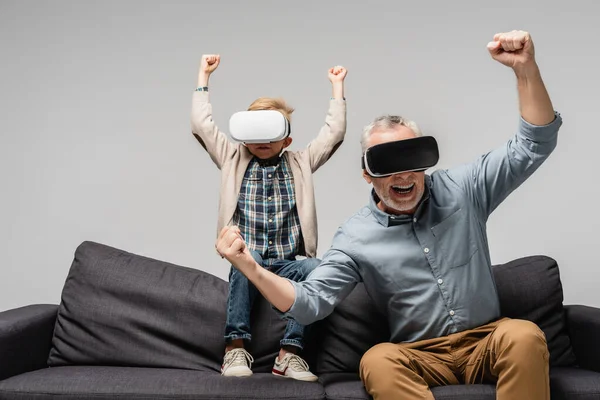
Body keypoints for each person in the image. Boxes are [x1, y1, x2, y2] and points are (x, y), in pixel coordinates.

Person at [215, 30, 561, 399]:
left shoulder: (465, 189)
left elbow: (532, 145)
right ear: (367, 173)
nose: (402, 175)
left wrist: (526, 69)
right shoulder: (355, 237)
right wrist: (249, 267)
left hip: (488, 339)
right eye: (386, 164)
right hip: (416, 354)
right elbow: (308, 302)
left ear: (425, 161)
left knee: (523, 334)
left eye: (410, 159)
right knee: (377, 359)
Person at [191, 54, 347, 381]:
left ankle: (290, 355)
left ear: (287, 139)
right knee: (247, 258)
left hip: (289, 260)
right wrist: (203, 77)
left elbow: (333, 135)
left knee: (317, 269)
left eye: (271, 131)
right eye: (255, 130)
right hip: (249, 256)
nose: (262, 140)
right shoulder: (232, 157)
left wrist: (337, 89)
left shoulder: (301, 161)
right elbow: (202, 126)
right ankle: (235, 348)